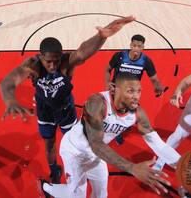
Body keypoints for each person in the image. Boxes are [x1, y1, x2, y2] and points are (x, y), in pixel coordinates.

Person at [0, 16, 135, 184]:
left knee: (75, 143)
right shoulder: (32, 64)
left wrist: (102, 36)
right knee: (49, 143)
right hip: (45, 110)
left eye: (56, 61)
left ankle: (76, 168)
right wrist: (11, 101)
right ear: (40, 57)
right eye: (48, 62)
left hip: (66, 109)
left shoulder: (66, 62)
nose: (52, 66)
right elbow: (8, 82)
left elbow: (82, 52)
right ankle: (54, 169)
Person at [40, 72, 181, 198]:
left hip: (96, 155)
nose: (136, 96)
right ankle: (46, 187)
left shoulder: (137, 113)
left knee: (102, 194)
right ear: (114, 89)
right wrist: (132, 168)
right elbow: (96, 144)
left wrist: (182, 164)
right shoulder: (97, 103)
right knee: (77, 195)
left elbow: (158, 145)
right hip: (74, 152)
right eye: (130, 91)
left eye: (139, 91)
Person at [104, 34, 164, 144]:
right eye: (134, 45)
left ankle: (120, 130)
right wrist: (107, 82)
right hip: (116, 91)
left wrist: (158, 87)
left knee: (127, 113)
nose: (136, 48)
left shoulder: (146, 61)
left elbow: (154, 79)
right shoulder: (120, 56)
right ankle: (112, 130)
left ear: (143, 47)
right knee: (113, 112)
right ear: (131, 45)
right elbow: (108, 69)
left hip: (131, 93)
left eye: (139, 46)